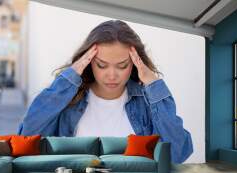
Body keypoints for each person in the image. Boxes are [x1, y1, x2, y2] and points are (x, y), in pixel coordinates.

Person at [17, 20, 193, 163]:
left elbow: (177, 154)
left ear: (133, 63)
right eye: (101, 65)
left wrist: (154, 84)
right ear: (89, 61)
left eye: (122, 66)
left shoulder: (147, 102)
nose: (112, 75)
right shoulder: (69, 100)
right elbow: (26, 136)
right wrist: (68, 78)